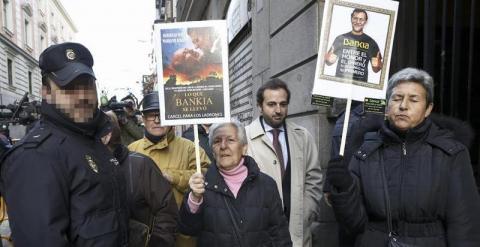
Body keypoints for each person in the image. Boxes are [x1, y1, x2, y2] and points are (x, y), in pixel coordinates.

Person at [326, 68, 480, 246]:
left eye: (413, 100)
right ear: (387, 104)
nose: (403, 106)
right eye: (397, 98)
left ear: (428, 109)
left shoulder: (450, 154)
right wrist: (344, 189)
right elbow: (353, 224)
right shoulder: (364, 153)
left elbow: (465, 224)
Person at [0, 42, 129, 246]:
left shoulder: (89, 138)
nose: (82, 96)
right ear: (46, 92)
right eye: (69, 88)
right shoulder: (35, 156)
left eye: (87, 85)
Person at [178, 121, 292, 246]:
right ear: (212, 150)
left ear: (244, 148)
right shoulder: (201, 185)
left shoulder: (266, 185)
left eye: (230, 140)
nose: (223, 146)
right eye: (217, 141)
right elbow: (187, 229)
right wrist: (194, 199)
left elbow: (280, 236)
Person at [245, 78, 323, 247]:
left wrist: (307, 211)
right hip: (259, 230)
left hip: (297, 229)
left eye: (283, 104)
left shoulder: (302, 136)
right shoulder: (245, 138)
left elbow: (314, 177)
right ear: (260, 106)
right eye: (271, 104)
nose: (278, 110)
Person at [128, 91, 210, 247]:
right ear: (143, 119)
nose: (157, 120)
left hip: (182, 234)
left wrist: (174, 176)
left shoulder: (190, 149)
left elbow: (206, 174)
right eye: (152, 115)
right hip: (145, 236)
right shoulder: (132, 150)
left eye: (162, 115)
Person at [102, 111, 178, 247]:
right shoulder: (82, 167)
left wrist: (157, 242)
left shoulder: (140, 165)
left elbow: (166, 211)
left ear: (106, 136)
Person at [324, 8, 383, 82]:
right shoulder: (340, 38)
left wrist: (378, 66)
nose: (358, 22)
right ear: (351, 19)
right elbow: (329, 62)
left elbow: (376, 69)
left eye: (361, 19)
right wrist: (327, 60)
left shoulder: (371, 42)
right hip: (340, 82)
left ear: (365, 21)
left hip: (360, 85)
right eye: (355, 18)